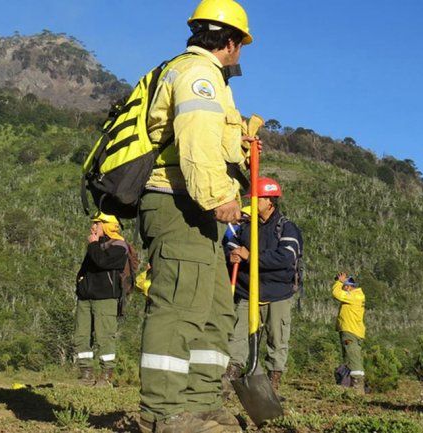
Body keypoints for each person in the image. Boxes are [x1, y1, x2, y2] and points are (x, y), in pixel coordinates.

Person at [137, 1, 257, 431]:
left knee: (215, 309)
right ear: (230, 42)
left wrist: (240, 146)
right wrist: (220, 196)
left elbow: (212, 141)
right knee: (179, 306)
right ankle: (163, 414)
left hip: (195, 207)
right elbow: (196, 143)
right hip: (177, 202)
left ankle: (201, 401)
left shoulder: (198, 76)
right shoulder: (199, 75)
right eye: (240, 44)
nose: (240, 52)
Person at [227, 178, 303, 398]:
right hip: (246, 291)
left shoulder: (287, 228)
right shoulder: (246, 227)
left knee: (277, 339)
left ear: (270, 201)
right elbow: (232, 244)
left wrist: (251, 257)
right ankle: (231, 377)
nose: (253, 201)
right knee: (237, 336)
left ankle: (272, 382)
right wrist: (231, 254)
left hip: (277, 293)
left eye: (257, 198)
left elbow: (285, 257)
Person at [74, 212, 128, 387]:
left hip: (105, 299)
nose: (93, 227)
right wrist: (80, 283)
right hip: (86, 297)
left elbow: (101, 262)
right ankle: (86, 374)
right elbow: (88, 266)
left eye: (96, 224)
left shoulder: (119, 246)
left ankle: (106, 376)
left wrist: (94, 244)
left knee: (105, 337)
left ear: (106, 225)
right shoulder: (96, 245)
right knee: (81, 335)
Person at [332, 272, 366, 394]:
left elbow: (336, 294)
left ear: (348, 287)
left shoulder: (354, 296)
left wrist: (338, 281)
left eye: (344, 286)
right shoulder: (357, 296)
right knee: (349, 356)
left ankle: (357, 387)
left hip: (350, 330)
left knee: (353, 356)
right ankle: (349, 384)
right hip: (352, 330)